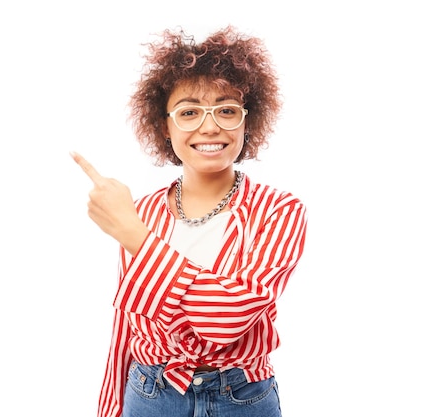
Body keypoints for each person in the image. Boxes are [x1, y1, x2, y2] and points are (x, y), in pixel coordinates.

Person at [71, 24, 307, 417]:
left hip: (241, 396)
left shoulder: (278, 210)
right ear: (165, 125)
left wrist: (135, 237)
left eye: (227, 110)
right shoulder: (142, 211)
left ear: (247, 122)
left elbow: (228, 318)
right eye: (189, 112)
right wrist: (108, 410)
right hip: (149, 393)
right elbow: (126, 331)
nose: (210, 126)